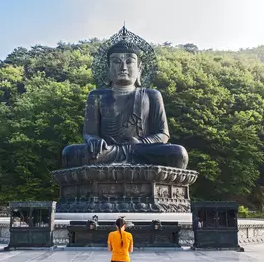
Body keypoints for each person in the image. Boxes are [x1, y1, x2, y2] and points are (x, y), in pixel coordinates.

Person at [62, 27, 188, 169]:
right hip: (108, 151)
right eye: (116, 62)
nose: (123, 67)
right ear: (108, 69)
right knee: (70, 153)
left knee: (178, 153)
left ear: (139, 68)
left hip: (141, 150)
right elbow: (89, 133)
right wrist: (94, 141)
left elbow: (163, 134)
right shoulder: (96, 96)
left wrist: (142, 143)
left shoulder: (152, 95)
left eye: (129, 61)